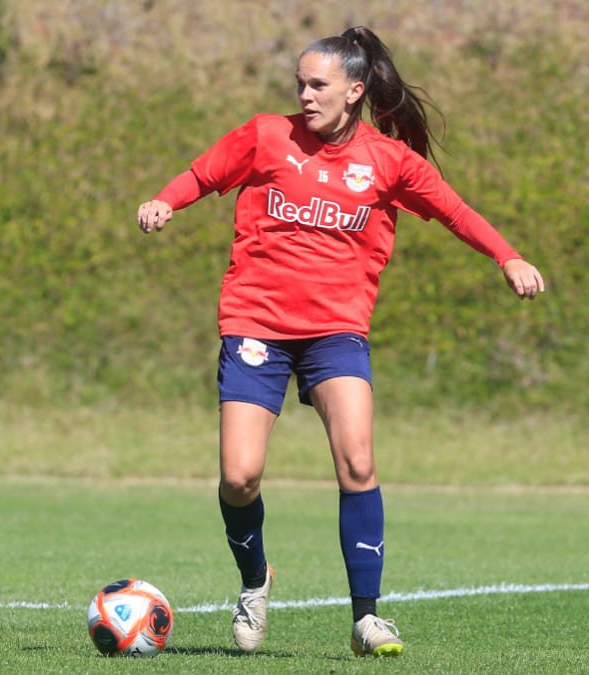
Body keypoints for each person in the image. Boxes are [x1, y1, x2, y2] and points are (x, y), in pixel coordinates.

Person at [135, 26, 544, 658]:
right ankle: (254, 580)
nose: (304, 94)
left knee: (357, 463)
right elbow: (201, 173)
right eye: (299, 83)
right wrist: (165, 201)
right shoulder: (266, 136)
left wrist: (507, 257)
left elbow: (456, 211)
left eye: (318, 85)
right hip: (256, 326)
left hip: (336, 332)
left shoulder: (388, 161)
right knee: (240, 477)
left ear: (354, 90)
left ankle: (367, 618)